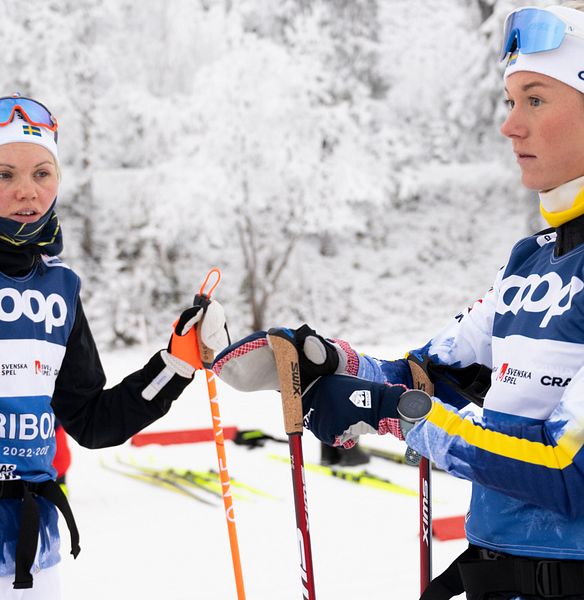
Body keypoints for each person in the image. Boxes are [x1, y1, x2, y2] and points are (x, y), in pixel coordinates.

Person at [213, 3, 584, 598]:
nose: (510, 125)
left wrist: (394, 410)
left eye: (536, 100)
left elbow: (569, 472)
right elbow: (430, 373)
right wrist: (334, 365)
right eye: (510, 102)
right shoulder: (530, 261)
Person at [0, 94, 228, 598]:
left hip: (30, 550)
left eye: (42, 173)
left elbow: (92, 420)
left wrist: (177, 364)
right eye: (3, 174)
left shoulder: (60, 289)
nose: (27, 191)